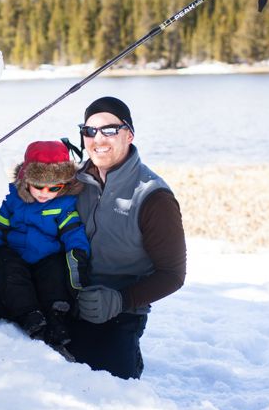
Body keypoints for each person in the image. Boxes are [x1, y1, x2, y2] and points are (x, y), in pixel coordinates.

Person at [69, 96, 187, 379]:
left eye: (109, 129)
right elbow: (24, 194)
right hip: (64, 297)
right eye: (89, 131)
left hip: (120, 310)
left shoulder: (152, 196)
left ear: (129, 134)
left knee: (107, 382)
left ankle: (128, 353)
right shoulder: (69, 182)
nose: (98, 139)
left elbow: (173, 274)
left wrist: (120, 301)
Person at [0, 140, 90, 351]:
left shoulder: (64, 204)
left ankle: (57, 317)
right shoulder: (10, 198)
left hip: (46, 255)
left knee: (55, 271)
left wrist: (78, 256)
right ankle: (29, 315)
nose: (45, 193)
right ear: (25, 180)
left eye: (54, 187)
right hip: (15, 253)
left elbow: (73, 232)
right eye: (38, 185)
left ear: (65, 184)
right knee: (9, 271)